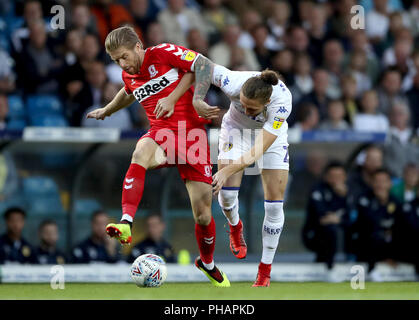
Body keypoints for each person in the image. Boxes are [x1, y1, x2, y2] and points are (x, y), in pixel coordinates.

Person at [85, 26, 230, 287]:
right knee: (140, 152)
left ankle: (207, 263)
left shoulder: (163, 53)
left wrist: (183, 98)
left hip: (192, 137)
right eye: (116, 60)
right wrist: (107, 110)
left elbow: (203, 65)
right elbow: (127, 92)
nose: (122, 64)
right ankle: (126, 222)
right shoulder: (128, 74)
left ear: (138, 47)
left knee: (203, 215)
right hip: (161, 133)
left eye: (124, 56)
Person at [188, 59, 292, 286]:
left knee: (274, 203)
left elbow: (257, 153)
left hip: (269, 140)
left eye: (252, 109)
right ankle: (235, 226)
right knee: (225, 195)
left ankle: (264, 271)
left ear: (266, 102)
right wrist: (198, 98)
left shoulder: (282, 103)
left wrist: (226, 172)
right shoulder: (233, 81)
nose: (246, 110)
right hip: (236, 130)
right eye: (242, 104)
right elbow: (201, 65)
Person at [302, 161, 351, 273]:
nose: (336, 180)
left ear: (345, 177)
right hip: (314, 234)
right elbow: (322, 216)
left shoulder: (350, 192)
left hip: (345, 232)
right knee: (330, 229)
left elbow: (351, 217)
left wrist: (343, 197)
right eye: (333, 176)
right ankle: (329, 269)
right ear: (326, 177)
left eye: (339, 176)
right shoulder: (317, 190)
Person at [352, 169, 400, 280]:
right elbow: (369, 222)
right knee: (374, 234)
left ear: (390, 183)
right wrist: (381, 203)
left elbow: (401, 224)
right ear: (372, 183)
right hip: (366, 243)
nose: (380, 184)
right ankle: (372, 270)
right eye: (377, 181)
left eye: (383, 181)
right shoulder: (364, 199)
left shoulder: (395, 201)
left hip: (389, 242)